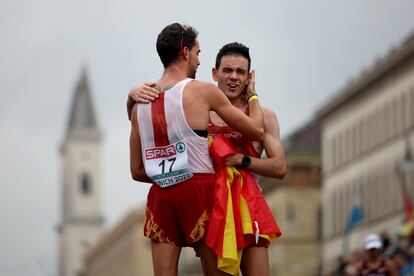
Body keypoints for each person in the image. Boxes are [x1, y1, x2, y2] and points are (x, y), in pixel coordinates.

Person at [129, 42, 286, 276]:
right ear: (215, 74)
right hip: (212, 208)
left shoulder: (265, 116)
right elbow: (149, 127)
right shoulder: (200, 111)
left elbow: (279, 167)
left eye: (240, 72)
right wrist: (132, 97)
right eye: (227, 71)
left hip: (247, 209)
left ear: (249, 77)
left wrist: (242, 160)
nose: (233, 77)